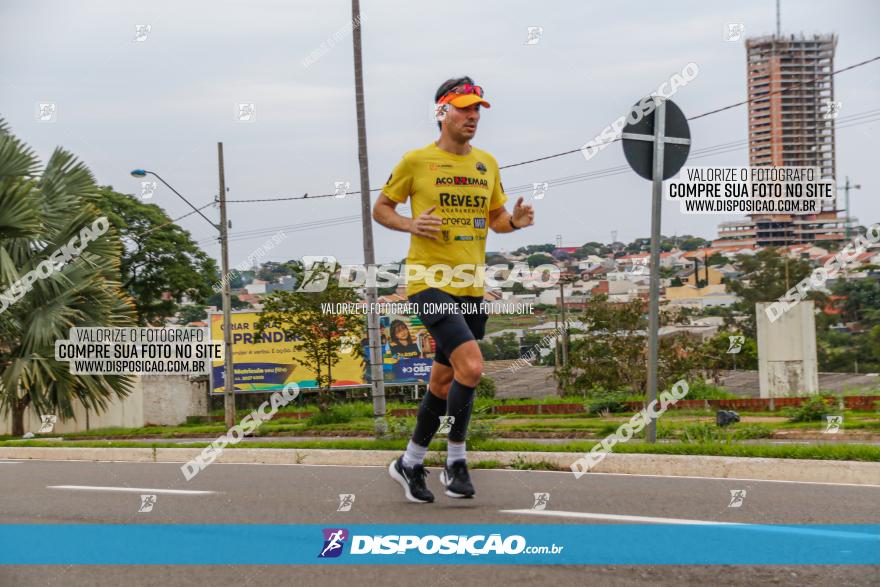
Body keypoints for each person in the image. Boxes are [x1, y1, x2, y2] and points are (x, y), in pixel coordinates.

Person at [373, 76, 534, 503]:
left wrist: (514, 222)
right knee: (474, 368)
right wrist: (410, 223)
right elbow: (381, 208)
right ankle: (456, 460)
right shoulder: (416, 161)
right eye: (464, 108)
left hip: (471, 287)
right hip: (429, 283)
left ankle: (409, 462)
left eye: (478, 108)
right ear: (442, 112)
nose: (473, 116)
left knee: (444, 383)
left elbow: (496, 219)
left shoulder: (487, 164)